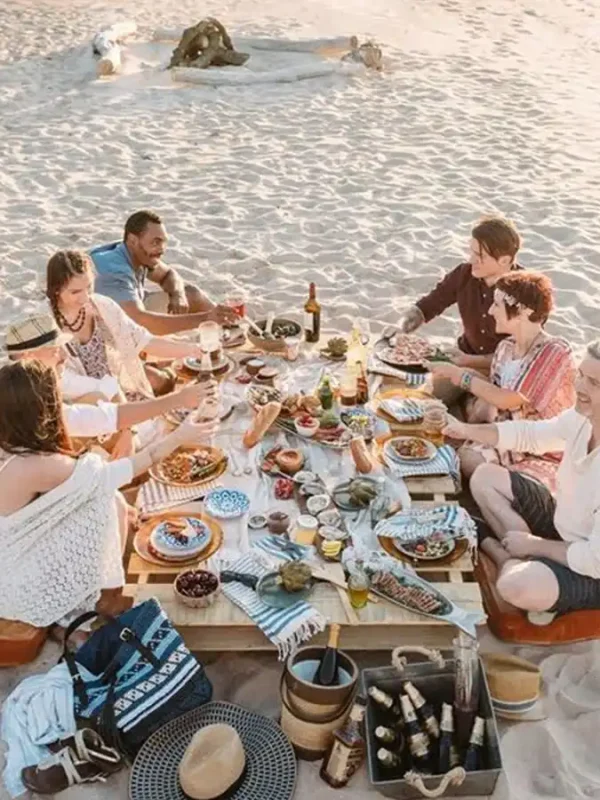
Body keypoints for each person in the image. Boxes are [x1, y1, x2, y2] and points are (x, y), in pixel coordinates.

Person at [0, 360, 218, 630]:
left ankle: (99, 593)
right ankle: (103, 602)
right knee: (108, 501)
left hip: (13, 563)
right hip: (21, 583)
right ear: (41, 407)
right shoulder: (34, 465)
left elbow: (109, 418)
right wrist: (181, 435)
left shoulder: (11, 444)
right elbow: (125, 470)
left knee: (110, 499)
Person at [443, 341, 600, 618]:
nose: (579, 387)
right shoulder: (581, 419)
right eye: (581, 375)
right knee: (485, 476)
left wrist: (534, 544)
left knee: (516, 586)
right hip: (561, 523)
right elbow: (530, 434)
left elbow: (593, 560)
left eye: (594, 383)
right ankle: (523, 558)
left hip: (591, 568)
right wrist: (463, 429)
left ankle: (497, 550)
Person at [428, 271, 575, 485]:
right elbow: (492, 394)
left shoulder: (554, 351)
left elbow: (508, 399)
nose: (490, 311)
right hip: (503, 429)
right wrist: (459, 371)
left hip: (535, 443)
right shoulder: (505, 347)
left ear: (523, 311)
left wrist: (460, 376)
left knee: (466, 459)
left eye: (496, 304)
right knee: (455, 448)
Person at [4, 311, 216, 451]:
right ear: (28, 357)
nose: (64, 356)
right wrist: (178, 399)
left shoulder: (44, 376)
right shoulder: (22, 400)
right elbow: (94, 418)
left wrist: (127, 431)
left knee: (98, 398)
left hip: (49, 459)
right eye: (54, 350)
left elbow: (106, 387)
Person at [47, 249, 221, 408]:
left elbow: (143, 339)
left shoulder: (102, 305)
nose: (85, 297)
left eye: (89, 287)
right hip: (81, 406)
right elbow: (60, 381)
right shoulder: (46, 323)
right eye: (75, 292)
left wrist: (194, 350)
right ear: (56, 290)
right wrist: (110, 390)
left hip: (119, 390)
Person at [400, 216, 522, 401]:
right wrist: (401, 328)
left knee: (481, 412)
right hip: (462, 359)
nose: (472, 260)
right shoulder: (464, 274)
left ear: (505, 260)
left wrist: (468, 361)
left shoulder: (525, 292)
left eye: (480, 256)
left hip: (500, 373)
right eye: (472, 252)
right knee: (428, 399)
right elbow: (429, 304)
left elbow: (521, 355)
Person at [90, 210, 238, 335]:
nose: (161, 249)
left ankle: (230, 332)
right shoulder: (113, 270)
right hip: (105, 333)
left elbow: (168, 274)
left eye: (163, 242)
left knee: (191, 294)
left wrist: (178, 295)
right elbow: (140, 323)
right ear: (133, 240)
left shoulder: (134, 252)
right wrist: (206, 318)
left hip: (132, 311)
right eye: (155, 242)